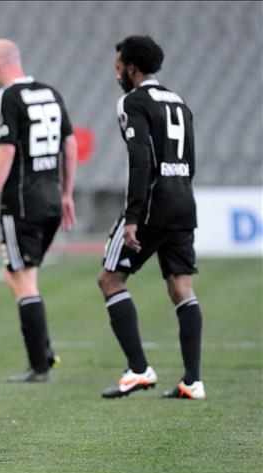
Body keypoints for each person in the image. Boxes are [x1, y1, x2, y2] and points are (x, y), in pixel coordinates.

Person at [98, 36, 205, 399]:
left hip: (151, 206)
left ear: (131, 68)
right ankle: (193, 381)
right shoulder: (179, 101)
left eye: (118, 68)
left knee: (110, 280)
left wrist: (133, 216)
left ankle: (139, 369)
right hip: (183, 201)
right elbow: (190, 159)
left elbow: (140, 159)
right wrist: (180, 192)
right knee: (181, 287)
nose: (117, 75)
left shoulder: (132, 101)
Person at [0, 39, 78, 383]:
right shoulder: (50, 92)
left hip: (21, 201)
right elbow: (70, 144)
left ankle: (39, 365)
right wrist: (67, 193)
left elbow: (6, 150)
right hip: (51, 198)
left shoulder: (6, 96)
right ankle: (44, 350)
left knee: (22, 281)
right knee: (19, 276)